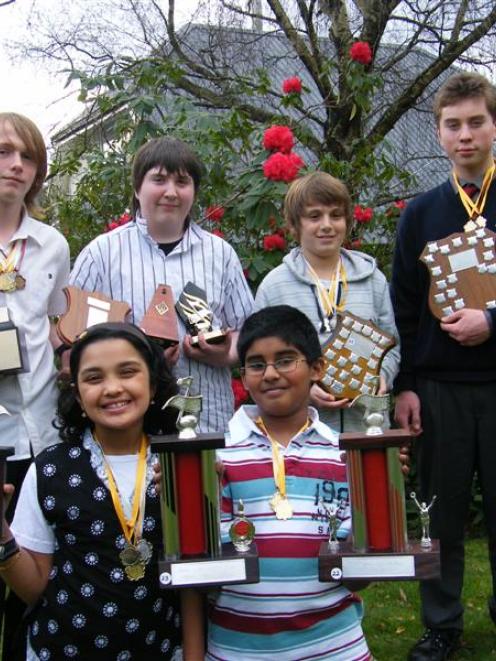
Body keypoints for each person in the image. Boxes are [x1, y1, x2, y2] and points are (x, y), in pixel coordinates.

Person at [0, 322, 201, 659]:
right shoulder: (50, 469)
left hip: (160, 649)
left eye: (127, 372)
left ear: (153, 385)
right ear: (77, 395)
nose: (112, 388)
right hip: (62, 650)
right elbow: (33, 588)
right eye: (94, 378)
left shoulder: (178, 464)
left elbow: (195, 580)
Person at [391, 71, 496, 660]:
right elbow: (405, 306)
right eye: (453, 125)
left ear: (494, 126)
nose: (465, 135)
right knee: (439, 515)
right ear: (437, 133)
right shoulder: (422, 214)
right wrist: (406, 384)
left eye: (475, 122)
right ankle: (442, 624)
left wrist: (494, 321)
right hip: (439, 387)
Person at [207, 305, 371, 660]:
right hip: (239, 649)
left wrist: (378, 494)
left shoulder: (344, 456)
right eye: (256, 364)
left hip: (334, 647)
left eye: (285, 360)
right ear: (243, 374)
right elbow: (207, 567)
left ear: (316, 368)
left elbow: (359, 574)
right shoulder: (219, 457)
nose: (270, 374)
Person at [70, 137, 254, 433]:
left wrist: (225, 354)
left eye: (182, 182)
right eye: (158, 180)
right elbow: (72, 342)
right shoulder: (100, 254)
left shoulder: (221, 254)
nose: (171, 192)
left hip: (207, 418)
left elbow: (247, 333)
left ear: (194, 191)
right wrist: (140, 354)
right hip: (125, 425)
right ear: (137, 188)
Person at [0, 112, 70, 658]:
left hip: (41, 437)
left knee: (31, 582)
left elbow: (58, 328)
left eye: (27, 156)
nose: (16, 165)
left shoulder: (52, 245)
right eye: (4, 152)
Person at [255, 171, 400, 432]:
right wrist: (304, 390)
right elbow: (262, 360)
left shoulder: (373, 280)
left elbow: (393, 346)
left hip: (367, 425)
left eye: (336, 215)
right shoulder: (274, 287)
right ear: (294, 225)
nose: (327, 225)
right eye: (314, 216)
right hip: (303, 431)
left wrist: (382, 376)